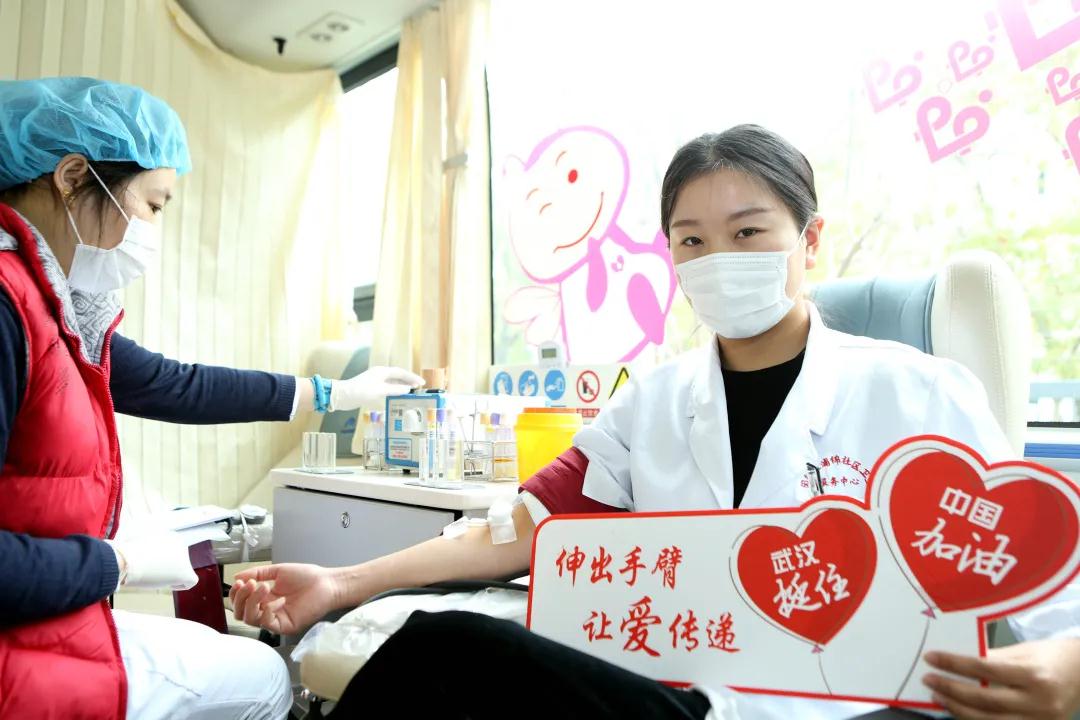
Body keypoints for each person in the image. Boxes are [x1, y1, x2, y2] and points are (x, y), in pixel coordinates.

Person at [232, 125, 1080, 720]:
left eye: (748, 233)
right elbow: (515, 528)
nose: (719, 262)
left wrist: (1068, 667)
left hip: (857, 709)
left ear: (811, 240)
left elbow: (1044, 578)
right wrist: (342, 585)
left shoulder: (920, 393)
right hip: (687, 701)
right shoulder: (654, 401)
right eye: (692, 241)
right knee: (441, 648)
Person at [0, 77, 422, 720]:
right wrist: (116, 563)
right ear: (73, 177)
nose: (152, 228)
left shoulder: (54, 307)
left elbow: (175, 383)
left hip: (44, 618)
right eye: (153, 205)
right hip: (21, 645)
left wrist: (331, 391)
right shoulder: (9, 307)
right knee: (267, 677)